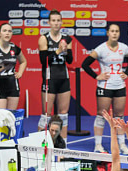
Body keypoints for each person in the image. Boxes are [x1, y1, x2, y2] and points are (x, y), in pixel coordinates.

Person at [83, 23, 128, 155]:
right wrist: (96, 76)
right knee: (101, 115)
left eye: (117, 31)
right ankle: (98, 145)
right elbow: (85, 64)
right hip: (104, 87)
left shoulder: (124, 48)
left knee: (119, 116)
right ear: (108, 33)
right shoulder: (101, 49)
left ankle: (122, 144)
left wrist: (127, 72)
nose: (115, 33)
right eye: (112, 31)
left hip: (120, 86)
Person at [38, 10, 73, 138]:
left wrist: (66, 50)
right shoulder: (44, 38)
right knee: (46, 115)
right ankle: (41, 145)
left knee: (63, 114)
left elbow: (70, 60)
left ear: (61, 22)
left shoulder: (67, 39)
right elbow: (44, 61)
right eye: (53, 21)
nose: (56, 23)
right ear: (49, 23)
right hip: (49, 79)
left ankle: (63, 145)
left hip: (63, 78)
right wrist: (58, 51)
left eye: (58, 20)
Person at [0, 23, 27, 110]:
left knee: (11, 117)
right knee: (1, 118)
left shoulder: (14, 48)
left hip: (13, 85)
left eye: (9, 31)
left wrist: (20, 73)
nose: (7, 33)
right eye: (4, 31)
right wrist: (3, 69)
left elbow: (23, 61)